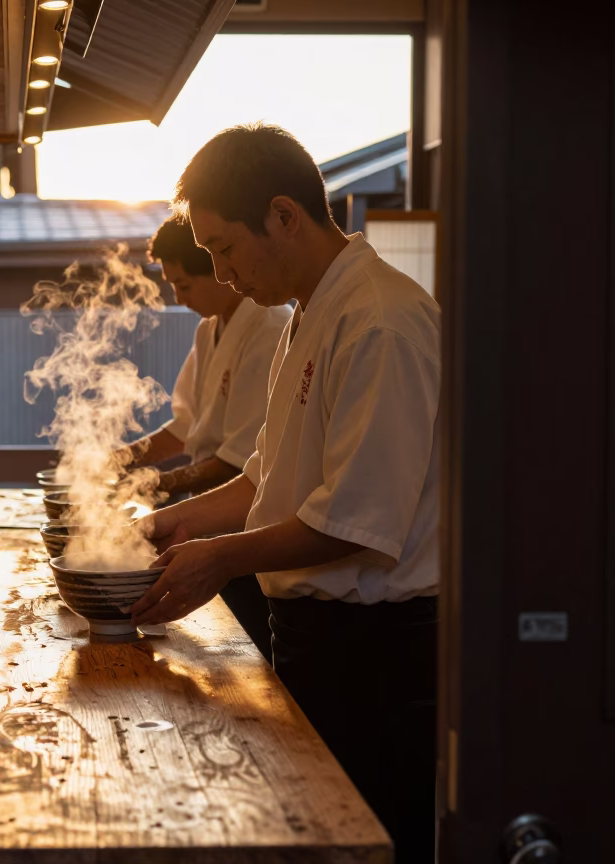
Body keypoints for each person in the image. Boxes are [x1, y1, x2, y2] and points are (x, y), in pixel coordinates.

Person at [130, 123, 440, 863]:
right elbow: (266, 479)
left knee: (364, 842)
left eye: (224, 250)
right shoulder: (311, 312)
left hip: (380, 656)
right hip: (316, 638)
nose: (222, 274)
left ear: (283, 216)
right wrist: (159, 526)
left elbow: (359, 522)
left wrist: (218, 559)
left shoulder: (381, 321)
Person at [119, 216, 291, 657]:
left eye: (185, 285)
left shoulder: (270, 325)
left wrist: (152, 484)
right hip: (212, 506)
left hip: (244, 520)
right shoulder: (209, 326)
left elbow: (239, 461)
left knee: (240, 647)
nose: (179, 297)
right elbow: (184, 428)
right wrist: (120, 459)